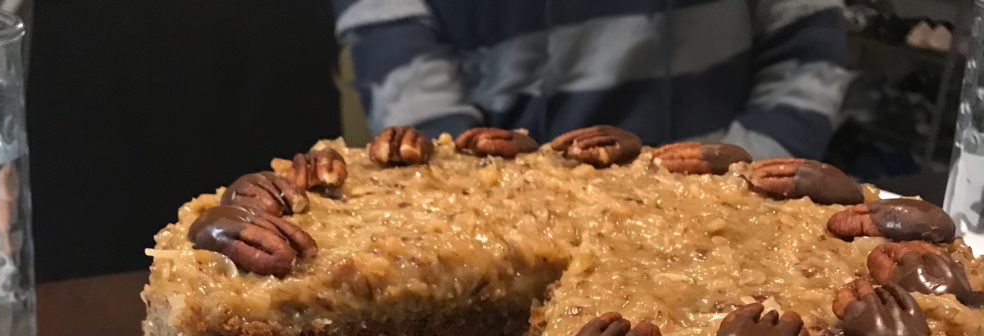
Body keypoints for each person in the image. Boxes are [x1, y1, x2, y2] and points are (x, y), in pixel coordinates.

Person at [331, 0, 850, 159]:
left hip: (726, 215)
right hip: (503, 226)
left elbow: (808, 53)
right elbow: (405, 74)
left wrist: (739, 182)